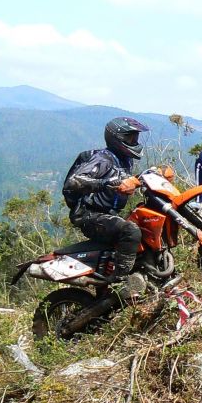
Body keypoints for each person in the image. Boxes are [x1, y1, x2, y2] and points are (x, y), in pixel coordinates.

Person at [63, 117, 148, 288]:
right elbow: (73, 181)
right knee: (130, 231)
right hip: (89, 215)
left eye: (135, 138)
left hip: (108, 214)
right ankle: (119, 282)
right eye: (131, 138)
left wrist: (150, 175)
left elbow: (124, 181)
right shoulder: (103, 159)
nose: (134, 141)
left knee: (145, 222)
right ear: (117, 138)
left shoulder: (123, 159)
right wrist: (106, 184)